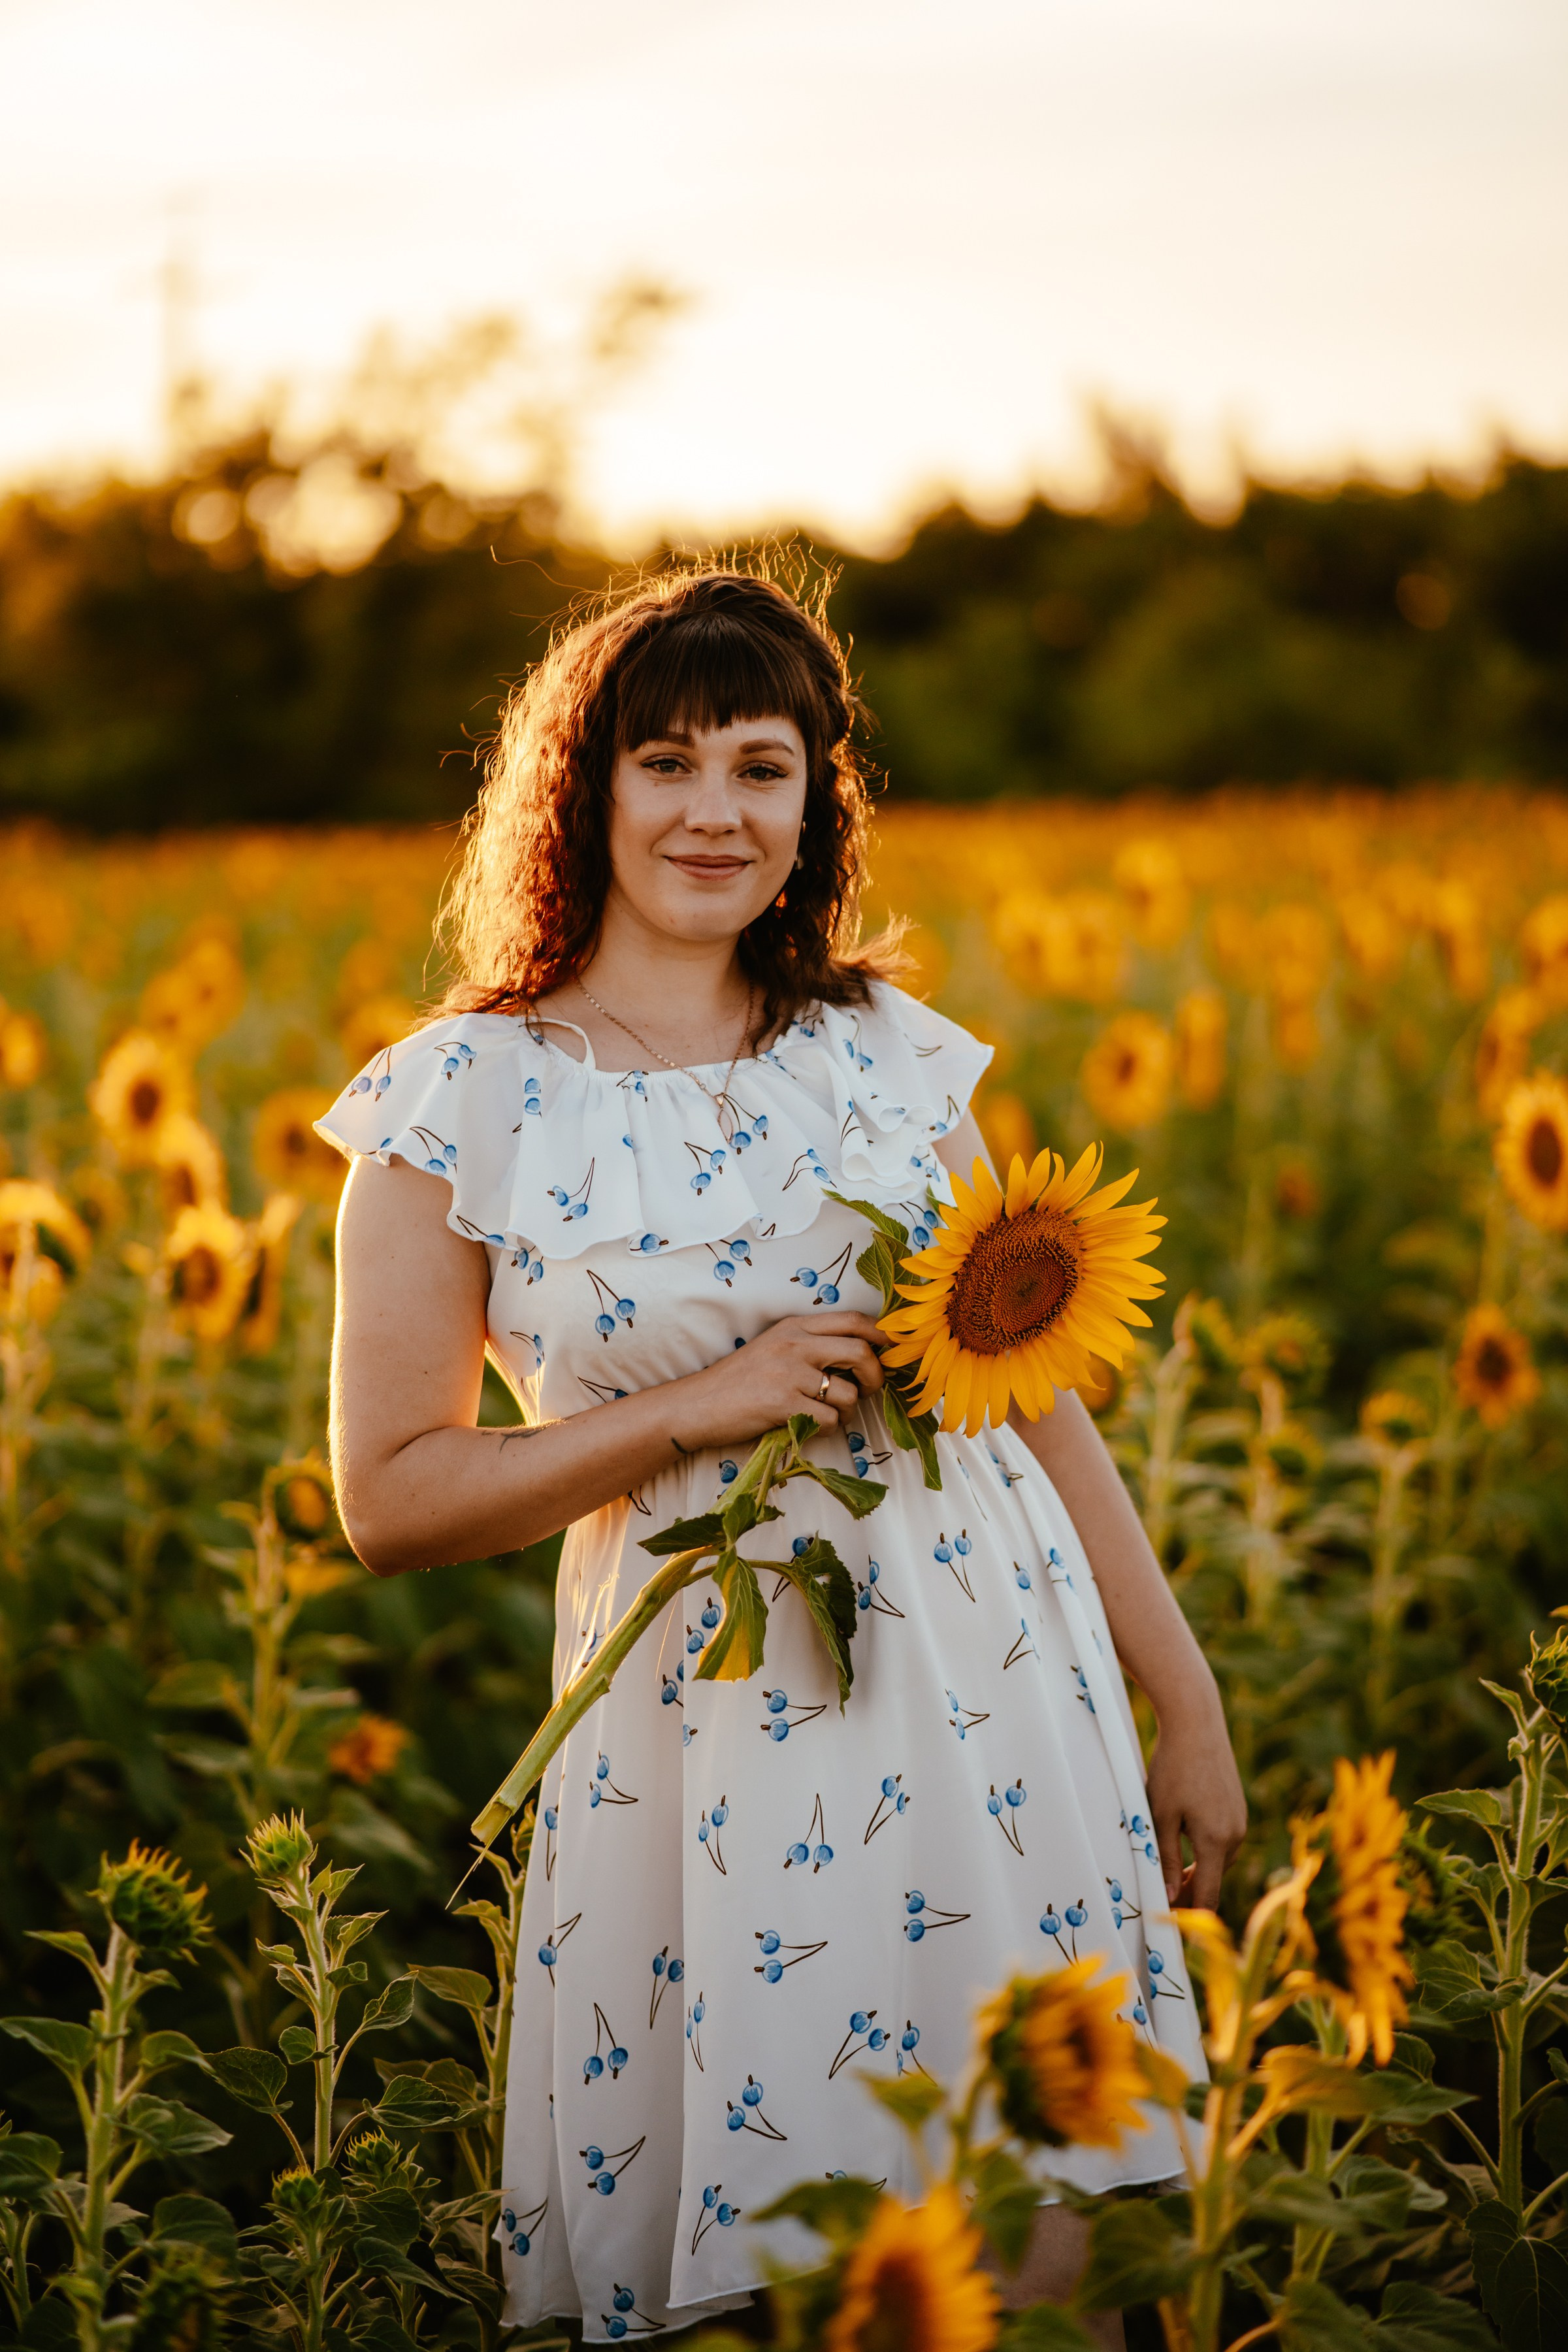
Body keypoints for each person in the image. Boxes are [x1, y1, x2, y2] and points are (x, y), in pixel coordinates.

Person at [319, 568, 1246, 2348]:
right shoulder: (458, 1103)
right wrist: (691, 1407)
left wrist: (1178, 1695)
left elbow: (1031, 1395)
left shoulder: (888, 1057)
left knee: (1043, 2219)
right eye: (666, 762)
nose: (716, 812)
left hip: (992, 1697)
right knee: (780, 2235)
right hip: (709, 1733)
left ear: (820, 796)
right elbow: (391, 1498)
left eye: (766, 764)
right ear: (581, 790)